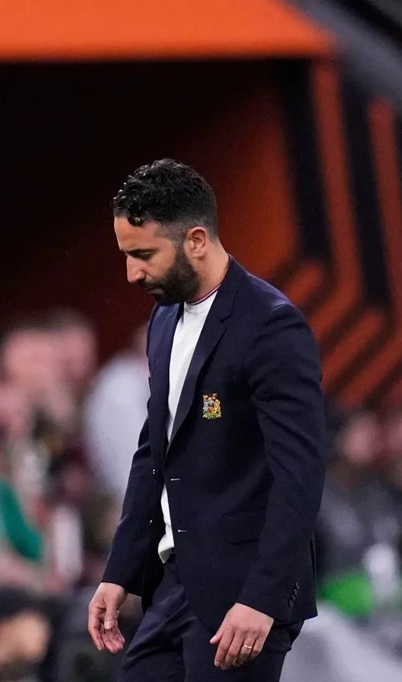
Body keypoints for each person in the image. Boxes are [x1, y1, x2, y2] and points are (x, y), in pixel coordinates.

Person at [87, 159, 325, 681]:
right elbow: (154, 451)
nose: (131, 274)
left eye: (144, 255)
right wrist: (120, 570)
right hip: (174, 585)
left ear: (196, 240)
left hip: (244, 595)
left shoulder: (271, 326)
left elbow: (300, 476)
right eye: (126, 255)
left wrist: (261, 597)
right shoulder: (162, 319)